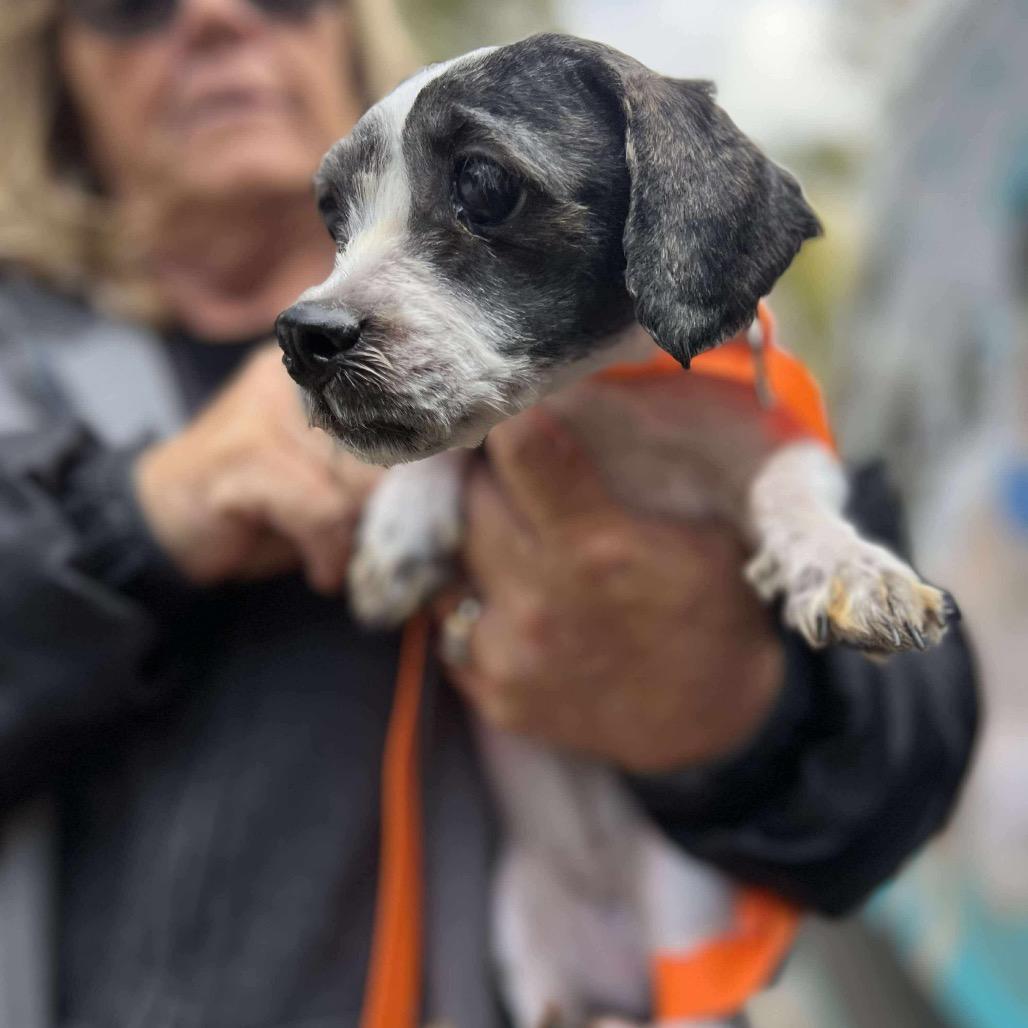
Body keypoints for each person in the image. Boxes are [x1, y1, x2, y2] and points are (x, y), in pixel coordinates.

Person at [0, 0, 977, 1025]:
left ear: (350, 36)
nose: (214, 19)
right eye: (129, 7)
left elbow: (924, 745)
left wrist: (735, 702)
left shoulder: (708, 382)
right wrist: (135, 519)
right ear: (52, 74)